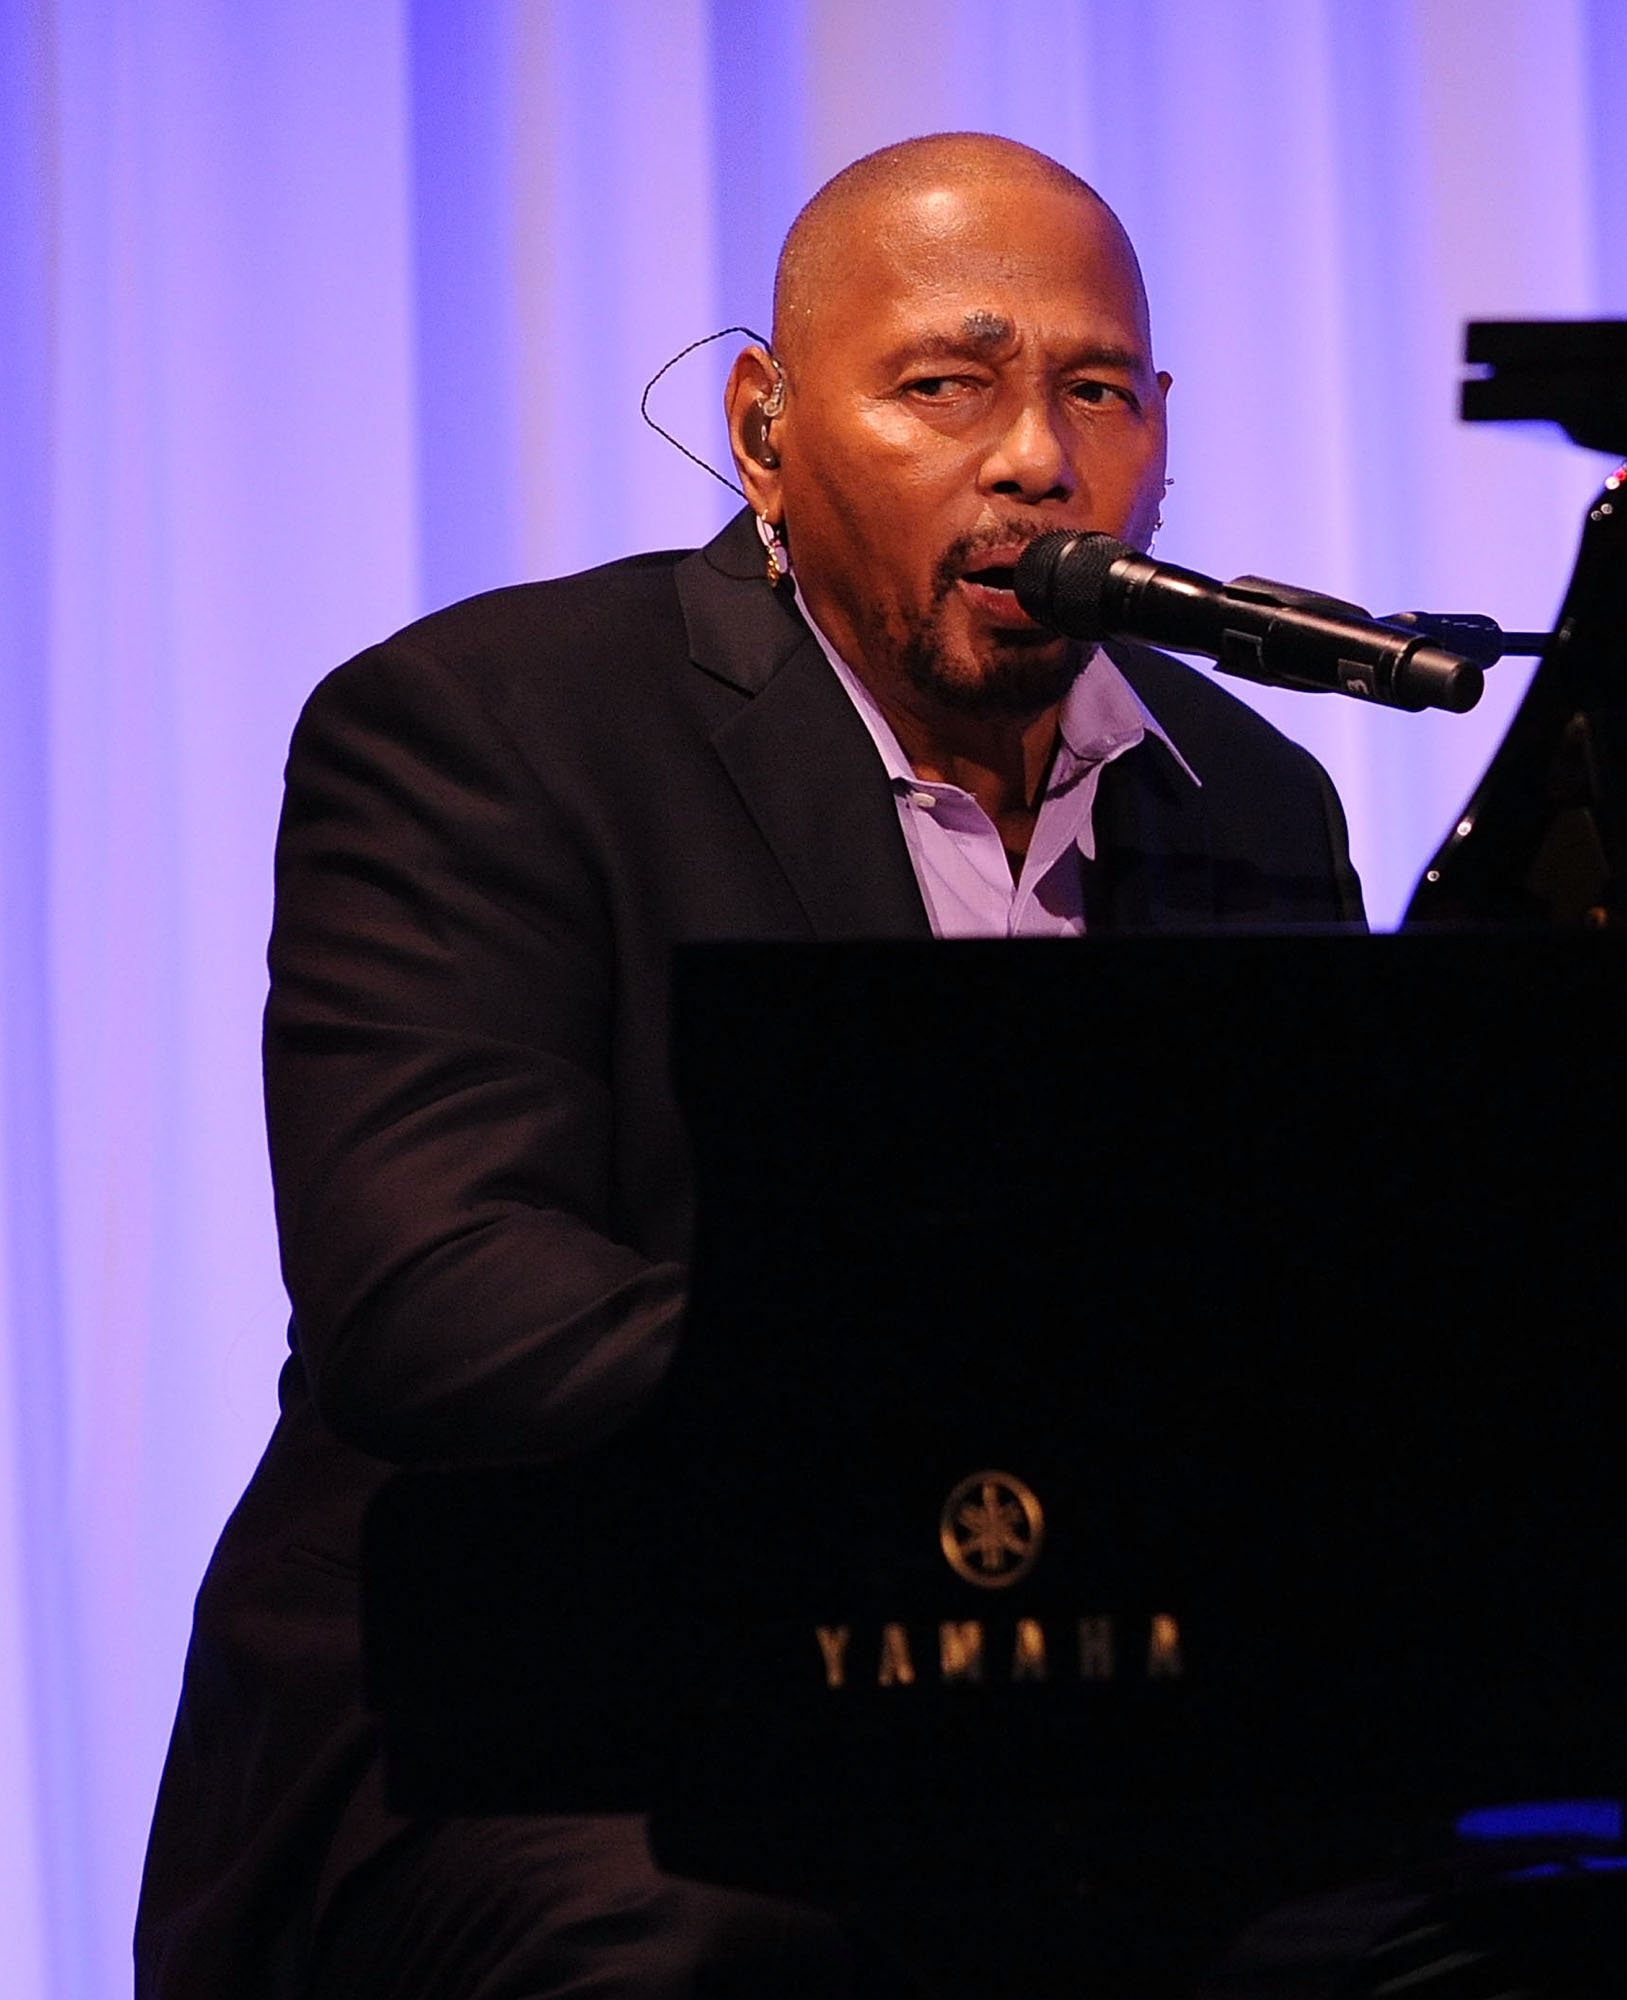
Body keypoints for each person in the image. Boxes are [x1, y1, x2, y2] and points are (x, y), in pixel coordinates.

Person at [135, 132, 1364, 2000]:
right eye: (948, 385)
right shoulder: (483, 729)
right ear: (766, 427)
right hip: (554, 1720)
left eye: (1097, 390)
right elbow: (441, 1300)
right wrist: (978, 1379)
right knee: (725, 1953)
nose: (1038, 456)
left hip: (1096, 1703)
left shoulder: (1251, 796)